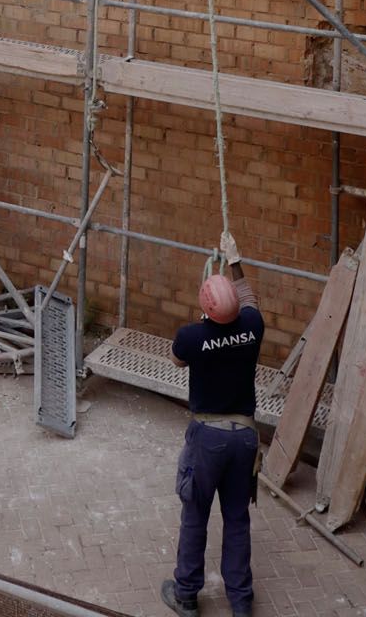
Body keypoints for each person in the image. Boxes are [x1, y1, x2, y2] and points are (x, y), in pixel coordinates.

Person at [161, 232, 264, 617]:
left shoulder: (192, 337)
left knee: (195, 515)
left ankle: (186, 594)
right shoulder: (253, 326)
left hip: (207, 440)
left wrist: (204, 330)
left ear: (205, 306)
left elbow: (176, 360)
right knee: (237, 518)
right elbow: (250, 300)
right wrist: (234, 259)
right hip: (244, 438)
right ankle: (241, 602)